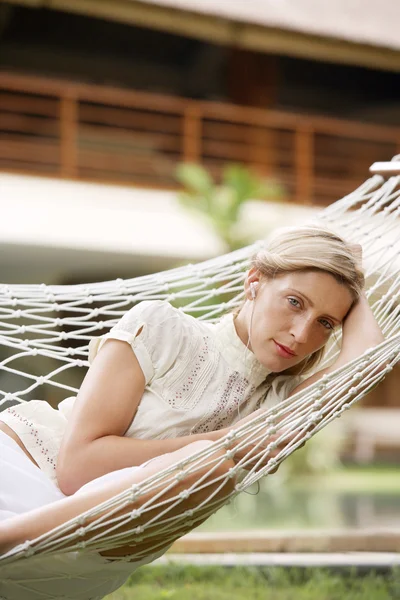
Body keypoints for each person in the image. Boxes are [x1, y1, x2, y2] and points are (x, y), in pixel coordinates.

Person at [0, 226, 384, 598]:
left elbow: (366, 358)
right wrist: (225, 442)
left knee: (212, 462)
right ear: (254, 282)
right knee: (213, 458)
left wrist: (355, 282)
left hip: (89, 547)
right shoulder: (164, 329)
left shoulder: (281, 407)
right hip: (23, 474)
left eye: (326, 323)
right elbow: (75, 467)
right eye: (295, 302)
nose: (302, 334)